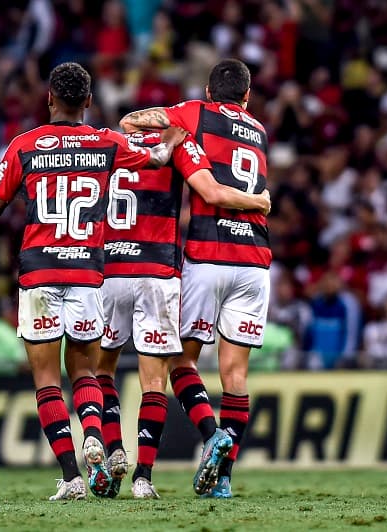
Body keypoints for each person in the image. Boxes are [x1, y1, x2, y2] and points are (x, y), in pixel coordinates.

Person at [0, 62, 184, 501]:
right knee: (84, 371)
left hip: (39, 271)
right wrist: (175, 134)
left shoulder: (25, 145)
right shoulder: (106, 142)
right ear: (89, 101)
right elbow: (157, 158)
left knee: (46, 379)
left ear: (49, 99)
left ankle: (72, 478)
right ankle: (93, 434)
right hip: (87, 274)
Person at [120, 59, 271, 498]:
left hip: (208, 255)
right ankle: (222, 480)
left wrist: (173, 135)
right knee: (235, 376)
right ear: (247, 96)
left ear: (208, 91)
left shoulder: (195, 112)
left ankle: (213, 434)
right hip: (255, 260)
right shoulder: (259, 130)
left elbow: (131, 122)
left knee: (181, 363)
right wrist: (261, 202)